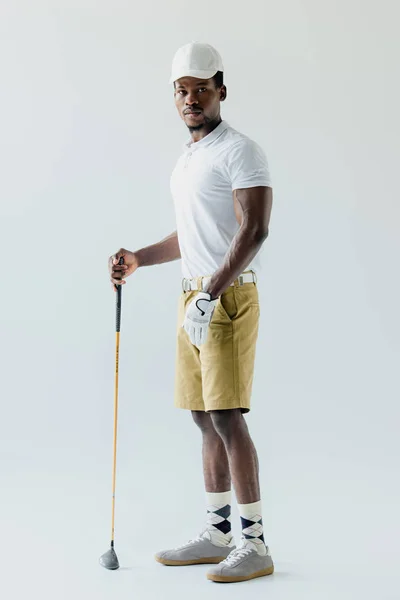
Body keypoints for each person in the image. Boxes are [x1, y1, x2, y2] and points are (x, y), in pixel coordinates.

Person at [108, 41, 274, 584]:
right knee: (203, 416)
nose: (191, 98)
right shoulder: (190, 158)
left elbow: (253, 230)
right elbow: (194, 236)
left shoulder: (240, 150)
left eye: (202, 89)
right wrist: (140, 258)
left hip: (225, 296)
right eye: (182, 91)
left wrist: (212, 295)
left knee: (228, 416)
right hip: (194, 295)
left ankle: (255, 544)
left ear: (221, 91)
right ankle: (219, 532)